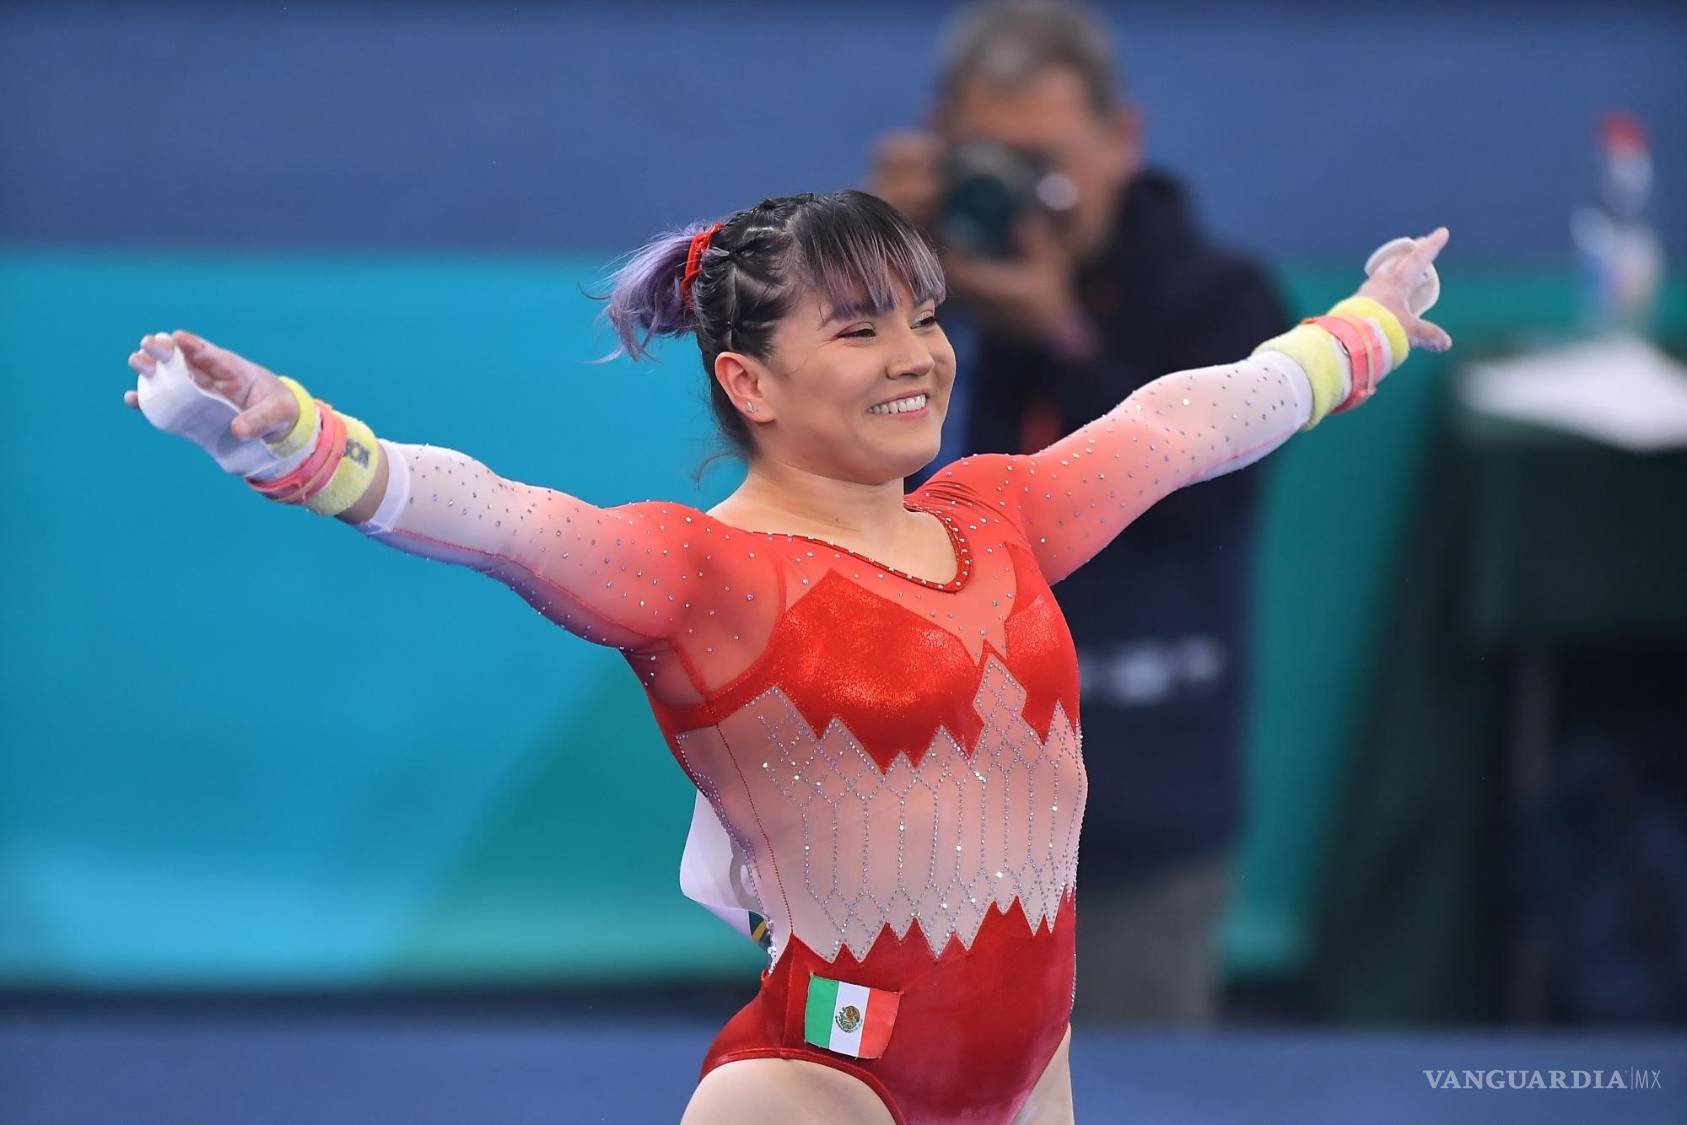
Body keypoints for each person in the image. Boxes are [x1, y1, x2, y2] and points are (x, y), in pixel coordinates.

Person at [123, 190, 1450, 1124]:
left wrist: (1371, 324)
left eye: (923, 316)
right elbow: (490, 517)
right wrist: (280, 432)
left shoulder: (996, 512)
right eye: (858, 329)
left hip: (1026, 1078)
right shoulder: (697, 579)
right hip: (817, 1091)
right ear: (750, 384)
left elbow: (1185, 419)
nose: (916, 357)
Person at [869, 0, 1291, 1023]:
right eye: (987, 160)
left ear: (1120, 141)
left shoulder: (1221, 302)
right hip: (929, 807)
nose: (1019, 196)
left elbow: (1204, 498)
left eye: (1044, 160)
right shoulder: (914, 301)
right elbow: (812, 464)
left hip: (1134, 813)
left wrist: (1055, 329)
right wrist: (868, 268)